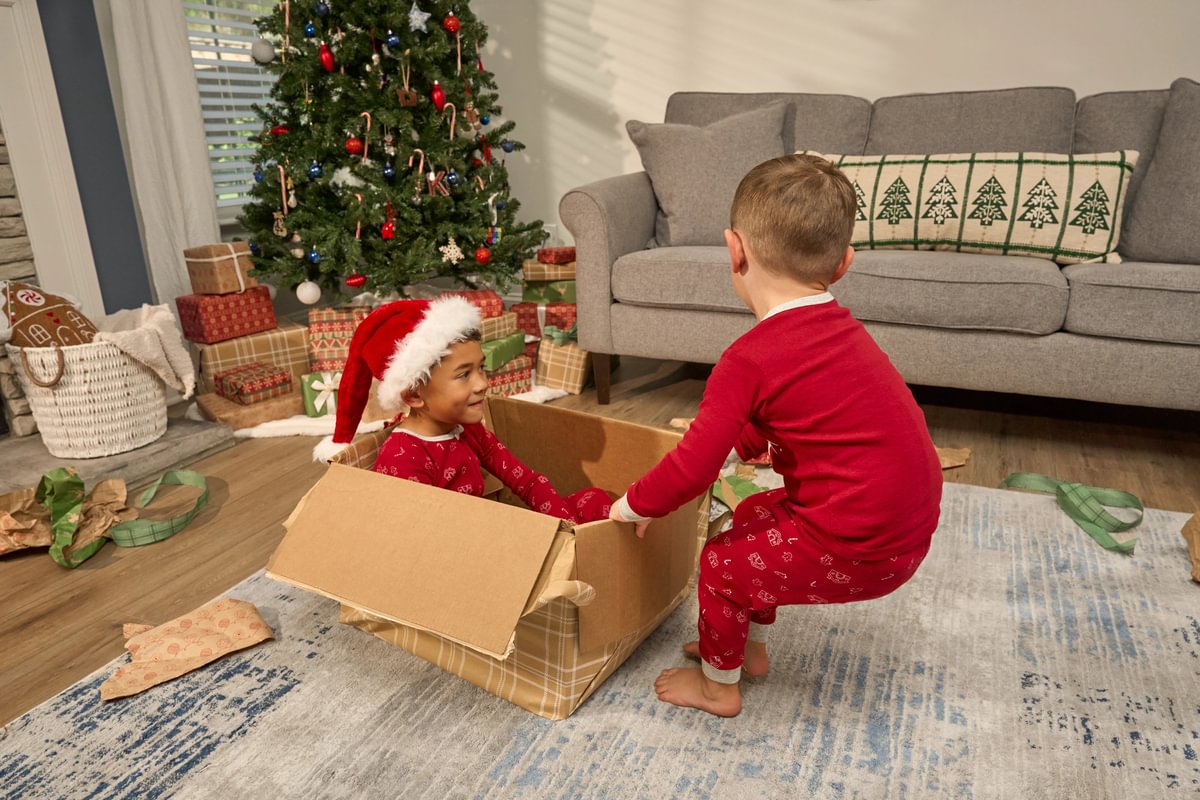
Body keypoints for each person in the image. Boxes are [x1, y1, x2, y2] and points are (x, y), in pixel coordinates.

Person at [609, 153, 943, 717]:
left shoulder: (749, 359)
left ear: (734, 250)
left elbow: (693, 469)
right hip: (906, 537)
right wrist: (735, 440)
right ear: (843, 264)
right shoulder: (842, 333)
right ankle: (748, 651)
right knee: (753, 512)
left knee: (719, 564)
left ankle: (718, 689)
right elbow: (781, 421)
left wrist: (631, 506)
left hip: (862, 550)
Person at [314, 296, 612, 523]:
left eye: (481, 368)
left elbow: (526, 479)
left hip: (488, 528)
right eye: (464, 374)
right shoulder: (405, 458)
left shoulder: (466, 429)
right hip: (463, 549)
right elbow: (425, 537)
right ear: (414, 395)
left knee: (596, 500)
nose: (483, 383)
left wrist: (565, 524)